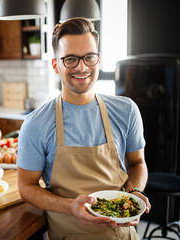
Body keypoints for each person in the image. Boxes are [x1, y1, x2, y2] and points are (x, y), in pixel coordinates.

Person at [17, 17, 151, 239]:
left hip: (122, 235)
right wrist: (70, 206)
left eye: (89, 57)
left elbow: (137, 163)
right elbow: (26, 187)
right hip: (68, 234)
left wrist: (133, 194)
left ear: (98, 60)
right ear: (55, 65)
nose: (82, 67)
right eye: (70, 59)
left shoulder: (126, 110)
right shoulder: (36, 124)